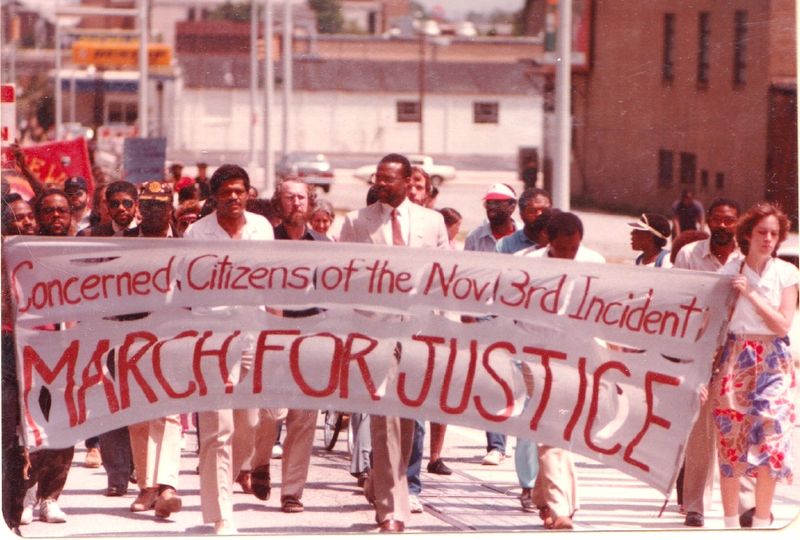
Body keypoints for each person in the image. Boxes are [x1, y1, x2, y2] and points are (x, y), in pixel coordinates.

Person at [339, 153, 448, 533]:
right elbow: (343, 277)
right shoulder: (357, 222)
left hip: (418, 332)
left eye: (389, 179)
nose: (381, 184)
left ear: (407, 181)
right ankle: (391, 508)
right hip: (374, 333)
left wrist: (444, 330)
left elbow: (442, 278)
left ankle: (379, 480)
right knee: (383, 416)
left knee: (408, 419)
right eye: (378, 178)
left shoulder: (432, 223)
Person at [183, 164, 273, 535]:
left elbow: (273, 278)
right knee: (216, 429)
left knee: (251, 423)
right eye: (226, 192)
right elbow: (186, 282)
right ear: (214, 196)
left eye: (240, 191)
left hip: (254, 333)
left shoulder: (262, 229)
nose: (233, 197)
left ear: (248, 193)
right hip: (212, 339)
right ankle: (221, 513)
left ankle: (236, 474)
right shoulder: (196, 232)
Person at [710, 202, 797, 529]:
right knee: (731, 444)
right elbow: (710, 320)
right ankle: (731, 523)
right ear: (747, 234)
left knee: (771, 441)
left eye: (774, 234)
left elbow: (782, 324)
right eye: (762, 232)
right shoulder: (729, 272)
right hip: (736, 357)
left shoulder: (786, 273)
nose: (768, 239)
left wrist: (750, 295)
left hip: (773, 360)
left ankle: (762, 522)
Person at [673, 198, 757, 528]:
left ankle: (743, 504)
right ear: (707, 221)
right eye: (717, 220)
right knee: (699, 433)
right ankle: (695, 505)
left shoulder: (747, 259)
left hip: (737, 353)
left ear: (739, 224)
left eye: (730, 221)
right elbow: (677, 302)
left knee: (738, 431)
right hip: (697, 352)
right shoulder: (688, 255)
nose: (723, 226)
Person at [521, 211, 604, 530]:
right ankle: (561, 509)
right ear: (548, 241)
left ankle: (543, 499)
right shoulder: (528, 264)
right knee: (551, 431)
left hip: (578, 360)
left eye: (574, 248)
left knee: (561, 430)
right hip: (537, 358)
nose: (569, 255)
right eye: (563, 248)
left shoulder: (594, 263)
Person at [248, 176, 325, 513]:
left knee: (304, 418)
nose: (296, 203)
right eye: (289, 197)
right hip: (272, 335)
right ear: (278, 203)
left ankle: (292, 491)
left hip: (311, 338)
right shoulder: (267, 243)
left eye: (302, 197)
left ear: (310, 203)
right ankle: (260, 462)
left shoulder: (323, 245)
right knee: (268, 413)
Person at [126, 181, 184, 519]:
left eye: (160, 205)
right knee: (138, 414)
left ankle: (167, 485)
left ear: (170, 209)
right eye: (147, 205)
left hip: (173, 337)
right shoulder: (124, 244)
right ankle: (146, 485)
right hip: (131, 337)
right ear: (139, 209)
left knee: (170, 411)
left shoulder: (186, 245)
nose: (153, 211)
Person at [19, 190, 77, 524]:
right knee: (31, 424)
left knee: (64, 424)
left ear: (71, 215)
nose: (56, 216)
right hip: (31, 349)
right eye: (49, 211)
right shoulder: (23, 250)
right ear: (39, 216)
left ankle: (51, 497)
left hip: (69, 349)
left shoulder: (82, 251)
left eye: (62, 211)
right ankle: (26, 492)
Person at [464, 182, 518, 466]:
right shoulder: (475, 238)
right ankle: (496, 444)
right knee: (492, 380)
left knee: (522, 381)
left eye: (498, 204)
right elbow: (467, 279)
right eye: (489, 204)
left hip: (520, 317)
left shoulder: (524, 238)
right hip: (486, 314)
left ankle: (521, 439)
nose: (493, 209)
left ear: (512, 206)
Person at [496, 188, 551, 255]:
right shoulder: (505, 245)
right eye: (532, 211)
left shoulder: (560, 241)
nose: (540, 214)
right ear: (521, 215)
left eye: (545, 210)